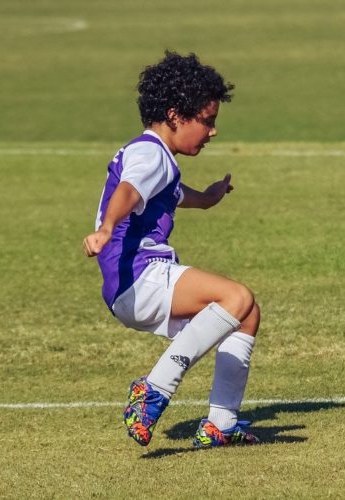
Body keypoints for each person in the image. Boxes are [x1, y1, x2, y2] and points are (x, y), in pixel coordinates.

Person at [83, 51, 260, 448]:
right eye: (208, 121)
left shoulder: (159, 158)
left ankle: (221, 423)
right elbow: (129, 191)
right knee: (236, 297)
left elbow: (175, 195)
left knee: (246, 314)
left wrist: (210, 197)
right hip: (140, 276)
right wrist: (106, 228)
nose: (213, 132)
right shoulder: (150, 154)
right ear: (176, 115)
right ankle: (154, 390)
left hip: (133, 282)